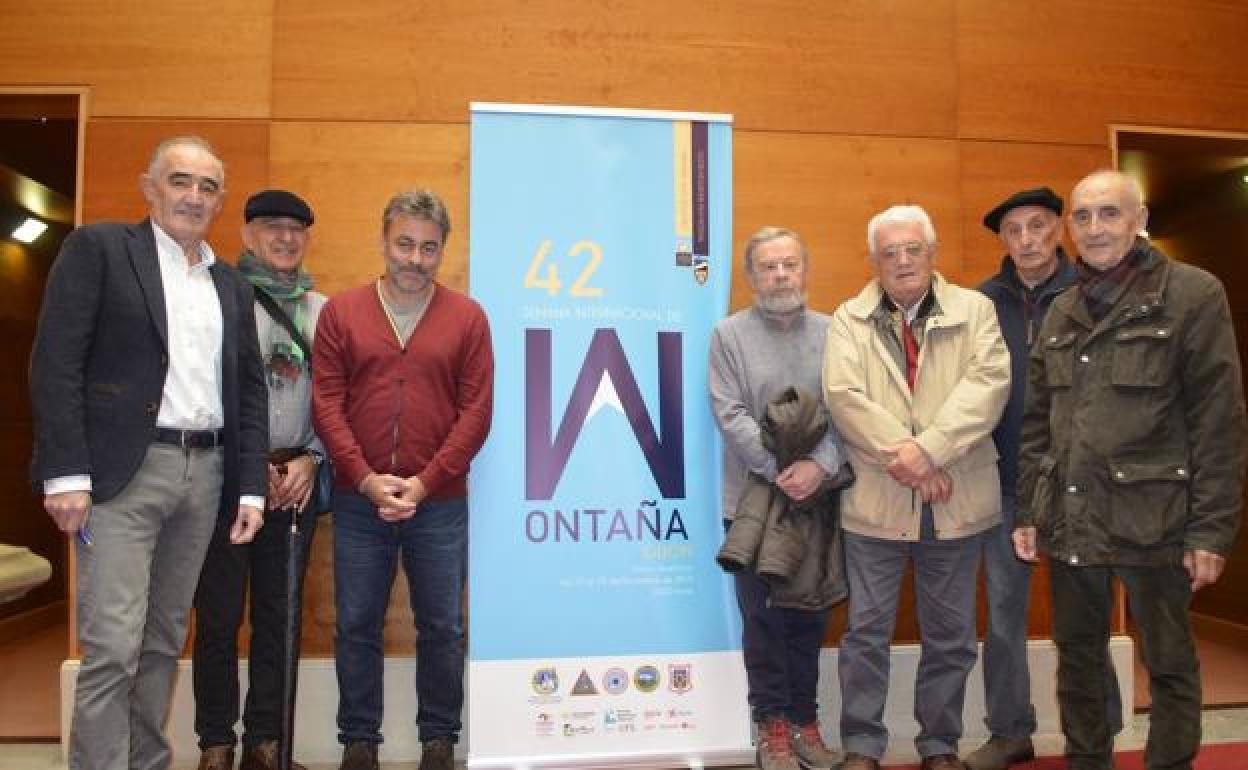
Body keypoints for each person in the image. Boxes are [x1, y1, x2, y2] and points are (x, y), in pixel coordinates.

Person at [29, 135, 268, 770]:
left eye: (207, 187)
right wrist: (65, 473)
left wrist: (249, 488)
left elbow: (248, 392)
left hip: (206, 477)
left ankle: (147, 762)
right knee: (112, 644)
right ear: (149, 187)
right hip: (119, 478)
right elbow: (56, 363)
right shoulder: (100, 250)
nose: (193, 196)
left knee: (164, 640)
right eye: (180, 181)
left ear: (220, 201)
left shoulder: (232, 286)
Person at [1015, 170, 1246, 770]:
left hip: (1159, 521)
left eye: (1109, 214)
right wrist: (1028, 511)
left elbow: (1220, 422)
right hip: (1072, 519)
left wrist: (1210, 530)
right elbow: (1039, 424)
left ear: (1138, 219)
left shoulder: (1193, 294)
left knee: (1169, 662)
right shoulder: (1062, 309)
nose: (1094, 228)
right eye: (1083, 216)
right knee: (1080, 663)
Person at [312, 189, 494, 770]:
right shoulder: (342, 312)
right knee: (358, 623)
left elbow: (476, 411)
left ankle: (439, 739)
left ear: (443, 251)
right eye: (405, 244)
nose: (415, 258)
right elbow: (327, 404)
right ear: (384, 242)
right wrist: (364, 478)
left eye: (429, 248)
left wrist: (426, 481)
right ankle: (358, 742)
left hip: (438, 504)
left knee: (443, 625)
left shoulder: (467, 317)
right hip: (358, 500)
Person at [823, 205, 1010, 770]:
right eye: (889, 252)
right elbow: (844, 397)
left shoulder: (976, 310)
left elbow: (988, 387)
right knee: (865, 634)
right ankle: (861, 744)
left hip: (956, 501)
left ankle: (939, 745)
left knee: (951, 635)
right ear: (874, 261)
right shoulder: (848, 318)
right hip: (876, 504)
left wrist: (930, 451)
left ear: (932, 254)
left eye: (913, 249)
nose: (902, 261)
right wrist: (912, 461)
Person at [969, 187, 1124, 770]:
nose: (1027, 239)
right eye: (1014, 230)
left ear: (1058, 229)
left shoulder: (1093, 291)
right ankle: (1010, 731)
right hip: (1006, 483)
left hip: (1081, 485)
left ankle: (1100, 725)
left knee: (1082, 616)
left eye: (1037, 225)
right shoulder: (981, 303)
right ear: (1004, 240)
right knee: (1003, 616)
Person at [192, 190, 327, 770]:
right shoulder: (218, 299)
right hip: (226, 480)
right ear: (246, 234)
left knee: (280, 617)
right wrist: (250, 468)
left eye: (296, 229)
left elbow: (338, 398)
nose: (285, 238)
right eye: (272, 226)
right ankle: (216, 744)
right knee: (219, 616)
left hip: (295, 480)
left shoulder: (324, 311)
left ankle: (266, 745)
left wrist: (313, 458)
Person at [710, 226, 850, 770]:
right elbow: (729, 414)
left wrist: (820, 466)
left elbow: (848, 412)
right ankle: (771, 725)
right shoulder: (728, 335)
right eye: (768, 267)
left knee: (809, 618)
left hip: (818, 499)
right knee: (762, 619)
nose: (781, 275)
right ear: (751, 277)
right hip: (750, 503)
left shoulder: (836, 332)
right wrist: (778, 469)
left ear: (805, 269)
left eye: (790, 264)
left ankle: (805, 720)